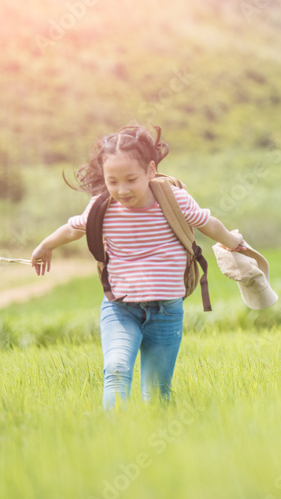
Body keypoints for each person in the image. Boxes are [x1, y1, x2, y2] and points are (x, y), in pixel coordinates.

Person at [30, 125, 244, 409]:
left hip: (167, 310)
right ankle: (116, 438)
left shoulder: (173, 199)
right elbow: (72, 229)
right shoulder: (101, 207)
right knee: (116, 369)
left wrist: (232, 241)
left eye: (131, 179)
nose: (122, 190)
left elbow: (208, 223)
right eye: (112, 181)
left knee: (157, 393)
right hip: (120, 308)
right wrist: (45, 246)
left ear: (150, 170)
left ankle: (149, 442)